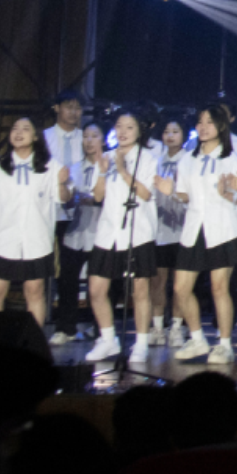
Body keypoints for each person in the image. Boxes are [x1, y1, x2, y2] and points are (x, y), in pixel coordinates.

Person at [156, 102, 237, 364]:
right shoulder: (188, 159)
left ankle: (225, 345)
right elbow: (185, 195)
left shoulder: (230, 158)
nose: (203, 127)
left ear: (221, 126)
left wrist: (232, 189)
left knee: (219, 287)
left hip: (223, 228)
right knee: (180, 288)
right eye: (200, 122)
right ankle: (197, 339)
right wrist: (171, 192)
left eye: (210, 122)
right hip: (194, 229)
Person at [0, 115, 71, 334]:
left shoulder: (49, 165)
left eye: (25, 129)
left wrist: (62, 183)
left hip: (37, 241)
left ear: (36, 136)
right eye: (15, 129)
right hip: (4, 240)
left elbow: (64, 198)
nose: (18, 133)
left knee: (34, 291)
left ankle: (33, 343)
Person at [84, 109, 161, 362]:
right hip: (108, 232)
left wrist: (123, 171)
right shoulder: (106, 156)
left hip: (138, 232)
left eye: (129, 127)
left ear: (139, 131)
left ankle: (141, 342)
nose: (123, 132)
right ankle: (108, 340)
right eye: (119, 126)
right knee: (96, 289)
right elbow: (97, 196)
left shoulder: (147, 158)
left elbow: (146, 194)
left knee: (140, 291)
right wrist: (103, 171)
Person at [55, 120, 106, 342]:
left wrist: (90, 198)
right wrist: (68, 196)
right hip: (75, 231)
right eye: (85, 136)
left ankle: (101, 329)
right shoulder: (74, 168)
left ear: (103, 140)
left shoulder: (109, 167)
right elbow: (66, 200)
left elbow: (107, 198)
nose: (89, 141)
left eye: (94, 136)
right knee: (67, 281)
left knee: (100, 286)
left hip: (101, 233)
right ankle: (65, 329)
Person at [43, 91, 86, 345]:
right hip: (50, 211)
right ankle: (43, 323)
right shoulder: (44, 137)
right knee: (46, 270)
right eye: (69, 106)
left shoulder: (86, 137)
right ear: (57, 108)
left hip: (79, 211)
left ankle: (67, 326)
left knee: (71, 271)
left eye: (78, 108)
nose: (74, 112)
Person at [149, 113, 188, 347]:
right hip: (161, 229)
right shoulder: (155, 161)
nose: (170, 136)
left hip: (184, 229)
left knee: (180, 284)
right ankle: (157, 328)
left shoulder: (189, 160)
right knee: (158, 281)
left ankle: (176, 327)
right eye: (166, 132)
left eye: (175, 132)